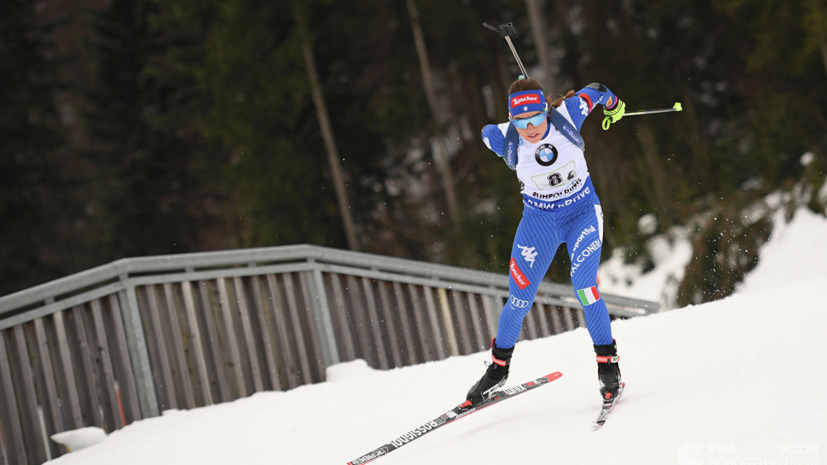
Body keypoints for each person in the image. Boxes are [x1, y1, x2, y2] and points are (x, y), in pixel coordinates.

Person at [466, 76, 626, 406]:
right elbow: (485, 132)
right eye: (521, 121)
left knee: (585, 287)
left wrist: (614, 106)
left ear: (546, 110)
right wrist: (505, 129)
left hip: (582, 213)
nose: (531, 128)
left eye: (537, 118)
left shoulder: (567, 114)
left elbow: (596, 90)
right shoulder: (508, 138)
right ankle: (497, 370)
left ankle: (608, 365)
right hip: (539, 223)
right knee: (519, 299)